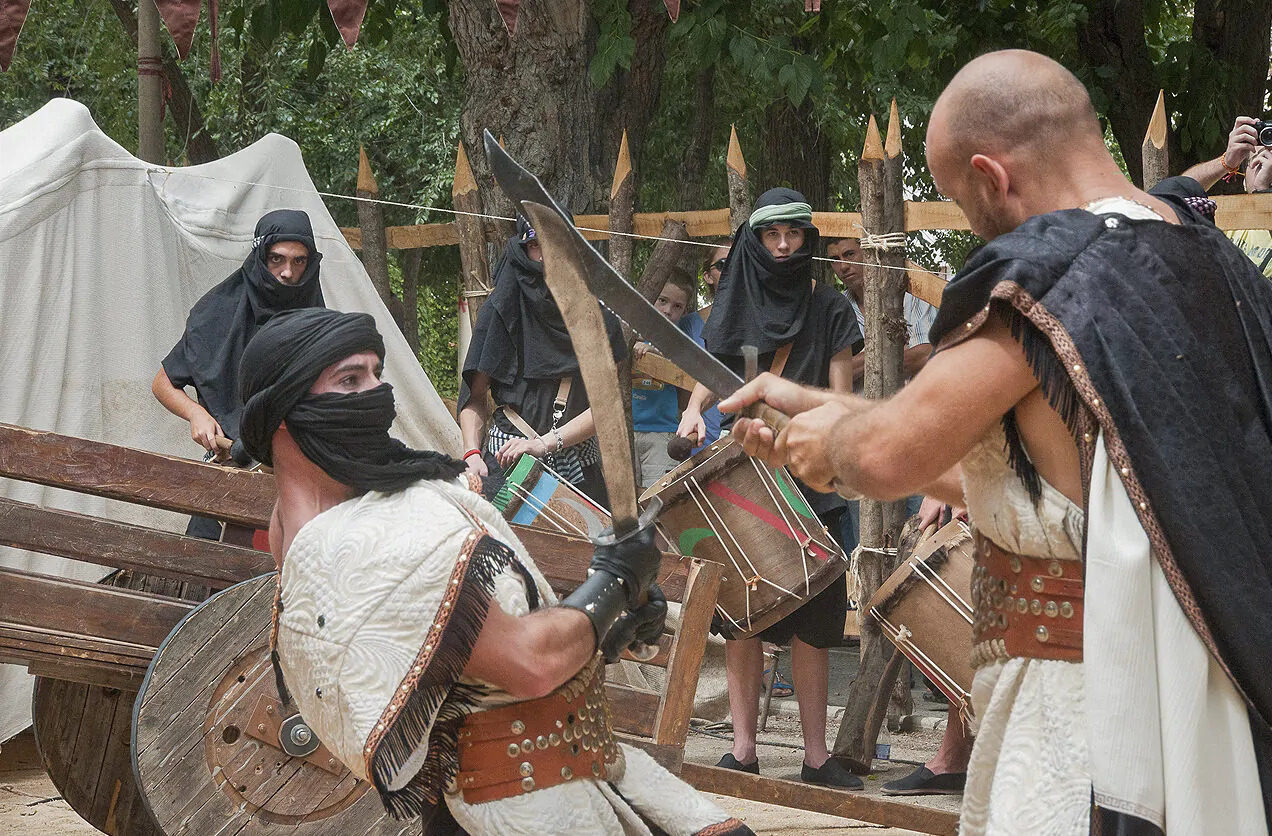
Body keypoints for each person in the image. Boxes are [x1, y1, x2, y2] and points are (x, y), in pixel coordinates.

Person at [724, 50, 1272, 835]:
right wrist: (806, 403)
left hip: (1086, 702)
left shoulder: (1054, 280)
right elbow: (1031, 485)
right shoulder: (1208, 260)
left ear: (991, 175)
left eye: (959, 198)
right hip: (1206, 680)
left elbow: (887, 457)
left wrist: (834, 447)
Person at [236, 307, 754, 836]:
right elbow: (529, 662)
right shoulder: (366, 540)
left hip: (567, 777)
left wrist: (607, 623)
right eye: (350, 380)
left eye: (375, 373)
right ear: (284, 409)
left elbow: (459, 665)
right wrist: (614, 581)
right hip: (521, 809)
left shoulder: (304, 528)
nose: (376, 394)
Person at [678, 188, 863, 789]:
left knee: (813, 620)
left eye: (794, 235)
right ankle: (743, 748)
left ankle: (814, 755)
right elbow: (715, 377)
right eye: (772, 236)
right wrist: (693, 411)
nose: (784, 246)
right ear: (755, 242)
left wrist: (810, 433)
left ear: (808, 238)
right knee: (743, 615)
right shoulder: (731, 304)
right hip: (745, 478)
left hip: (811, 477)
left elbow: (841, 397)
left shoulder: (830, 306)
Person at [152, 208, 324, 539]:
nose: (288, 272)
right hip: (228, 476)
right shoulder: (218, 312)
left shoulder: (318, 324)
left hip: (298, 485)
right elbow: (162, 382)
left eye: (299, 261)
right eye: (277, 259)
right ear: (260, 256)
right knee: (210, 577)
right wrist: (196, 414)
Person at [458, 216, 625, 505]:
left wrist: (542, 444)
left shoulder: (597, 320)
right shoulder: (499, 312)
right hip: (506, 462)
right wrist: (472, 453)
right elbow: (474, 399)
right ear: (523, 250)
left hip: (579, 469)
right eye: (536, 244)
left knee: (587, 550)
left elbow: (606, 408)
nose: (546, 254)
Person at [827, 236, 936, 383]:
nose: (843, 266)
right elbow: (828, 373)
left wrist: (855, 362)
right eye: (834, 259)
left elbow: (926, 354)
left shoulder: (911, 294)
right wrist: (891, 350)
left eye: (849, 254)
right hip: (858, 405)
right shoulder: (835, 307)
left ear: (870, 253)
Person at [1179, 116, 1272, 277]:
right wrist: (1227, 161)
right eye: (1258, 163)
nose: (1266, 168)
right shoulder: (1229, 224)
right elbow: (1178, 193)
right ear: (1243, 182)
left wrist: (1263, 192)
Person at [632, 268, 695, 488]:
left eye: (677, 306)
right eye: (662, 300)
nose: (668, 310)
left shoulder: (679, 342)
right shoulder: (628, 332)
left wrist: (656, 352)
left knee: (658, 498)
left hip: (662, 434)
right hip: (625, 430)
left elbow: (685, 370)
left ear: (685, 310)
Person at [678, 244, 731, 453]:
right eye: (724, 264)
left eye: (740, 261)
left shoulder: (761, 320)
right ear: (708, 276)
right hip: (697, 438)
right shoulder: (688, 325)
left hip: (744, 436)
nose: (732, 269)